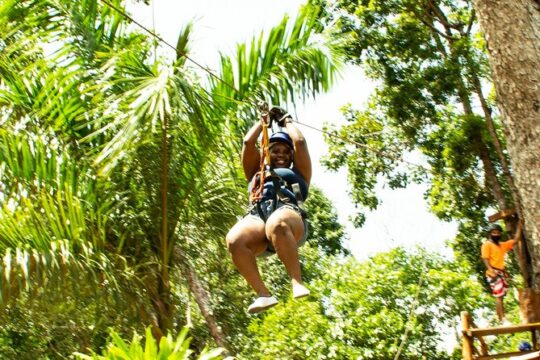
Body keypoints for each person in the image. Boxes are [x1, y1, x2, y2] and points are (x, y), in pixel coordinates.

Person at [225, 106, 311, 314]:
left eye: (285, 152)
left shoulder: (299, 173)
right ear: (266, 151)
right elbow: (247, 142)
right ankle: (263, 294)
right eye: (275, 150)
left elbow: (299, 142)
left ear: (291, 157)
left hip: (288, 215)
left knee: (277, 223)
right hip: (257, 216)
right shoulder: (255, 172)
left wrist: (286, 121)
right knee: (234, 239)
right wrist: (262, 121)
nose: (281, 155)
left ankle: (296, 282)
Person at [481, 222, 522, 325]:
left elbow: (516, 240)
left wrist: (520, 226)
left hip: (501, 272)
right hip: (493, 272)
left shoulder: (502, 245)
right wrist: (491, 270)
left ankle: (501, 318)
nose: (496, 234)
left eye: (498, 232)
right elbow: (485, 259)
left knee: (501, 296)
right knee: (499, 295)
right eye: (494, 232)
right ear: (490, 234)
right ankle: (503, 319)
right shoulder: (487, 244)